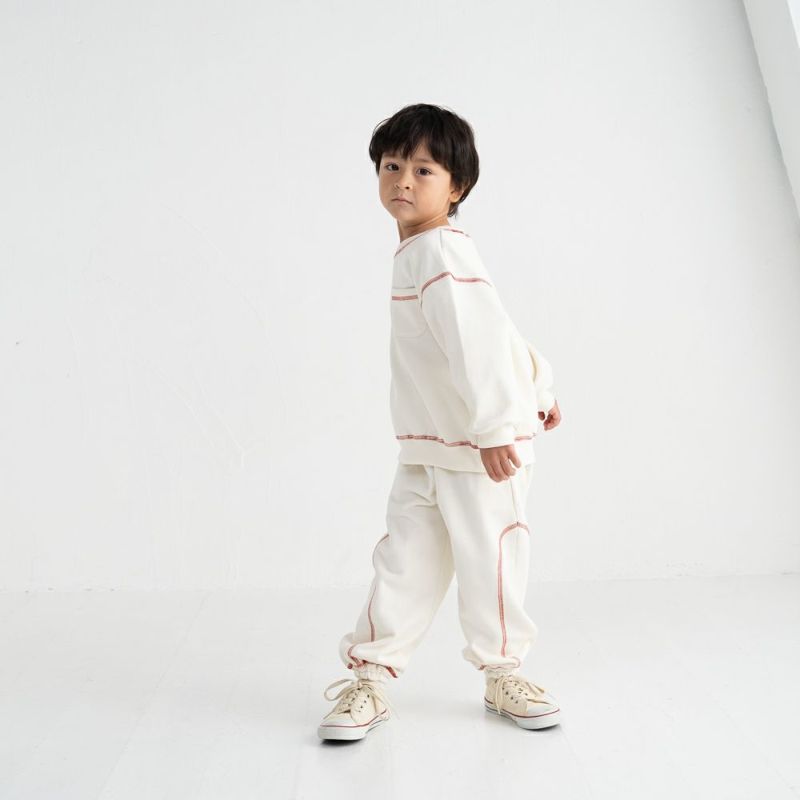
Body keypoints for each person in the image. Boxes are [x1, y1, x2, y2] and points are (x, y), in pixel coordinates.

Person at [318, 103, 563, 741]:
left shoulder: (439, 251)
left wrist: (501, 426)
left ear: (458, 187)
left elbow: (480, 343)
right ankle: (370, 678)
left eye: (423, 170)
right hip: (429, 448)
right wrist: (539, 383)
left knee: (491, 562)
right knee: (403, 564)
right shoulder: (421, 252)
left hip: (482, 451)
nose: (403, 180)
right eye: (392, 166)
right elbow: (493, 328)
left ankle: (503, 672)